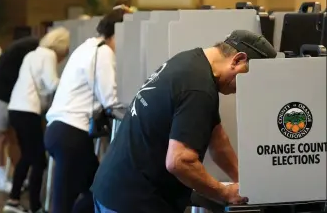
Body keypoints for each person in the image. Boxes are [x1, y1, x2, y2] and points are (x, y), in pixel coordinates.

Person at [91, 30, 277, 213]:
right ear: (237, 60)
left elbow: (218, 141)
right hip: (134, 200)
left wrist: (245, 182)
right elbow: (179, 161)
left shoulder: (191, 63)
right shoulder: (199, 89)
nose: (242, 90)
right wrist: (225, 192)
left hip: (115, 187)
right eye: (248, 79)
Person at [44, 8, 125, 213]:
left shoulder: (87, 46)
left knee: (90, 191)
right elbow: (110, 100)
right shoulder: (103, 51)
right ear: (117, 33)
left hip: (58, 131)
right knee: (97, 192)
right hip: (71, 135)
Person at [2, 27, 70, 213]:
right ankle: (36, 207)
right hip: (27, 111)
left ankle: (13, 200)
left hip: (16, 108)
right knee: (39, 161)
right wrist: (71, 83)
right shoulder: (48, 55)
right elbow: (51, 83)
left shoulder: (32, 54)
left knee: (27, 156)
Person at [0, 36, 40, 193]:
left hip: (7, 94)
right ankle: (1, 181)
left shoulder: (27, 46)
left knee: (14, 137)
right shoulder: (33, 49)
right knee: (0, 136)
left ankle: (18, 178)